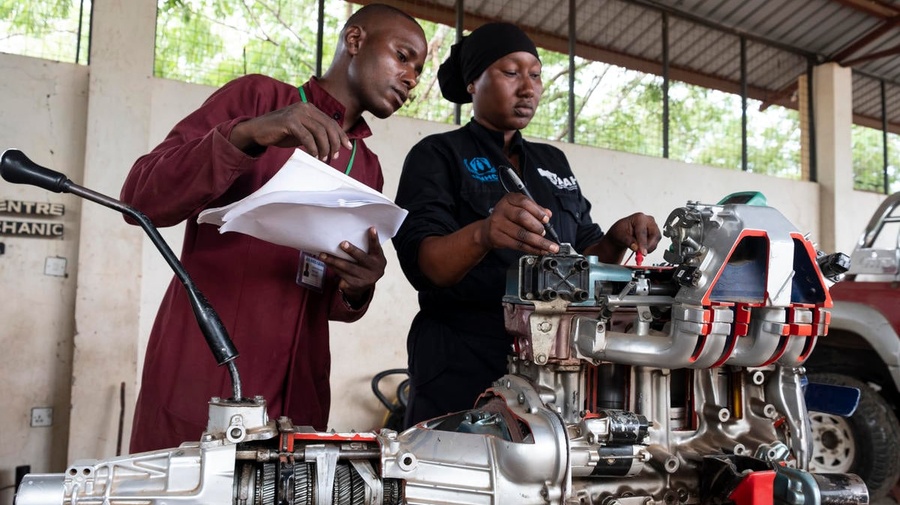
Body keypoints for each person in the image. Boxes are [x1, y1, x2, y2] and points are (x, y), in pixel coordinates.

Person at [121, 4, 427, 453]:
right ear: (355, 40)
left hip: (297, 400)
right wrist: (247, 134)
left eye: (418, 71)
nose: (411, 79)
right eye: (403, 57)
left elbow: (327, 302)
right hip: (205, 374)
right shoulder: (257, 100)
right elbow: (139, 199)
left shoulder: (368, 167)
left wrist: (358, 286)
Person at [392, 22, 661, 428]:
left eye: (535, 75)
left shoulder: (553, 162)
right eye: (511, 72)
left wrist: (615, 238)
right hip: (461, 360)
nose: (528, 88)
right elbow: (424, 265)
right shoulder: (437, 155)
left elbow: (584, 256)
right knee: (457, 460)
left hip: (552, 363)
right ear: (473, 82)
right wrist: (483, 234)